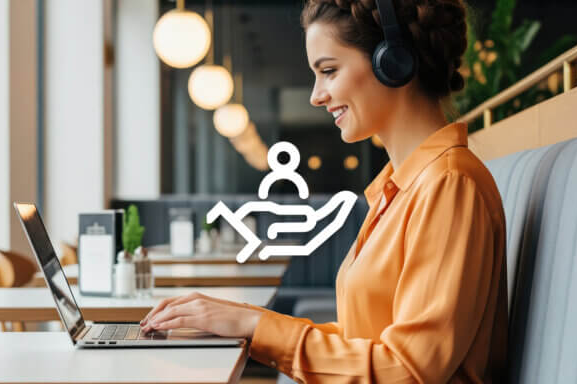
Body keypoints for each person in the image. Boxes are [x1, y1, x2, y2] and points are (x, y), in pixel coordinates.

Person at [141, 0, 507, 381]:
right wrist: (247, 320)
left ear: (393, 61)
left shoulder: (448, 185)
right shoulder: (403, 188)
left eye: (329, 71)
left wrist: (254, 325)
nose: (317, 96)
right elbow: (367, 342)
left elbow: (407, 371)